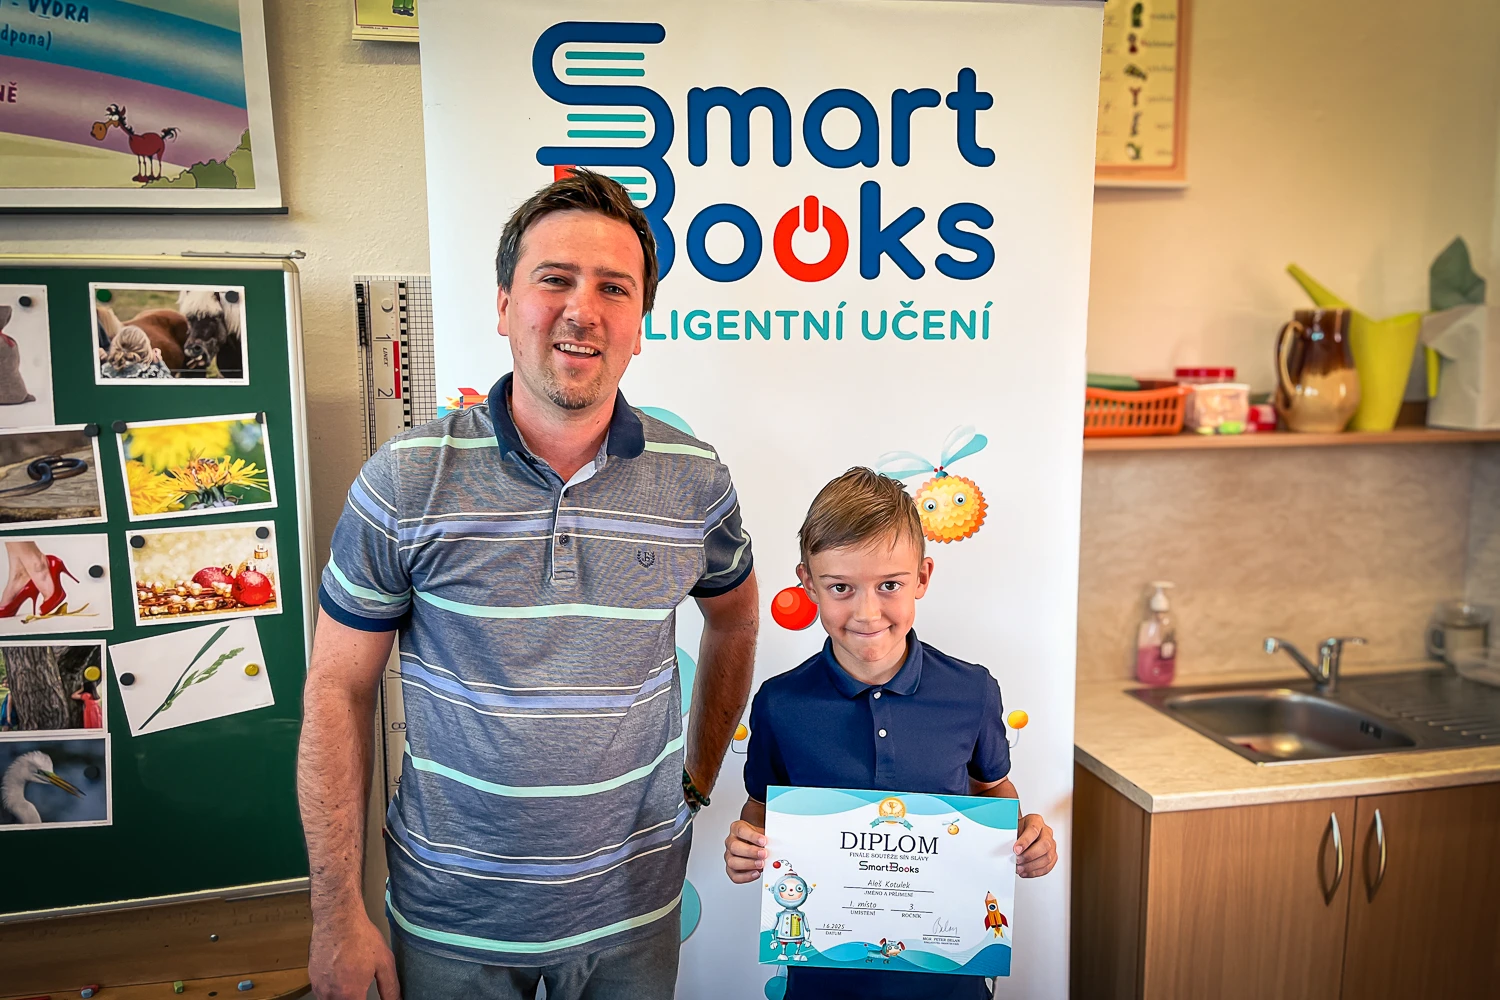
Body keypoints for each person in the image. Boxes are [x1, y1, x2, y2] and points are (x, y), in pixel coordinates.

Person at [301, 170, 760, 1000]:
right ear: (504, 304)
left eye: (614, 288)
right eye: (555, 280)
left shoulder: (695, 481)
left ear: (639, 326)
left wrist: (697, 777)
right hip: (452, 924)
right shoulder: (405, 481)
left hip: (633, 916)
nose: (584, 311)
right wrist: (336, 914)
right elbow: (338, 690)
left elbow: (735, 620)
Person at [723, 467, 1057, 1000]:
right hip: (824, 984)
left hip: (950, 983)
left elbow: (993, 791)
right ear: (808, 583)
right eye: (840, 587)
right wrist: (747, 844)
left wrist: (1024, 838)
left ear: (922, 577)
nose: (867, 612)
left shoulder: (971, 692)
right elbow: (761, 808)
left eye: (890, 585)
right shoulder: (780, 704)